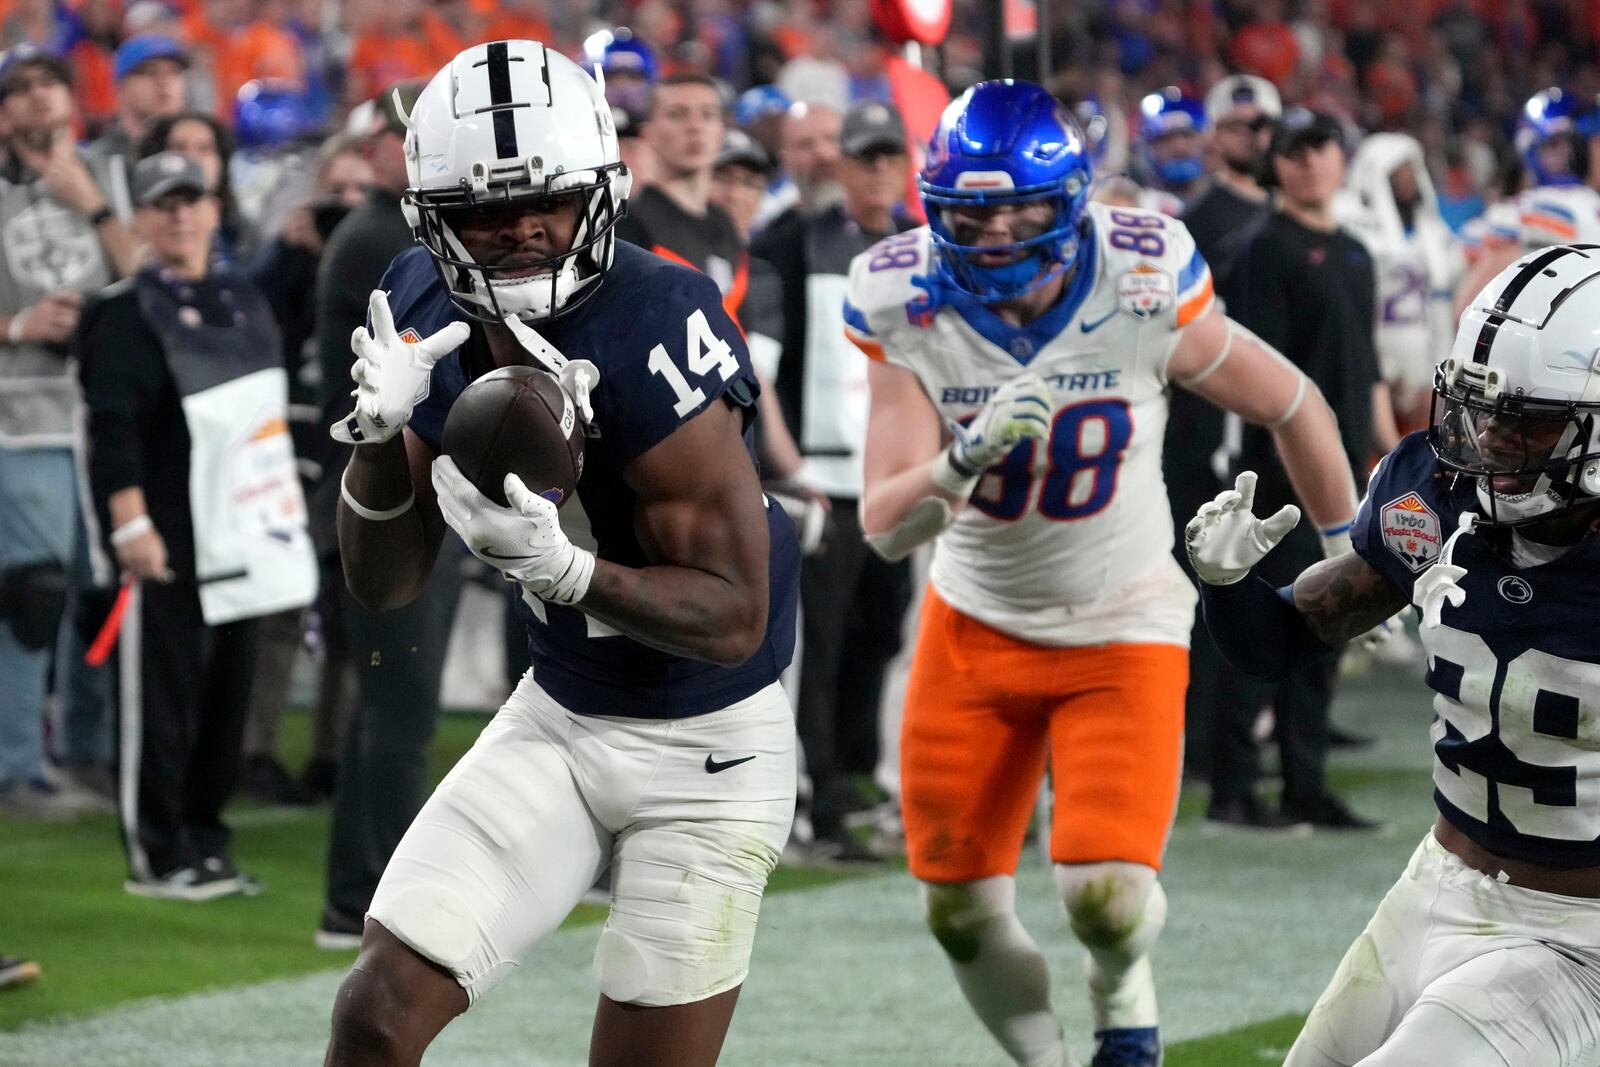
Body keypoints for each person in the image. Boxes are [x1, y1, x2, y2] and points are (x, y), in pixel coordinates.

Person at [845, 80, 1358, 1067]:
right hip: (973, 625)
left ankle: (1123, 999)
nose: (994, 234)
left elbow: (1294, 401)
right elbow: (884, 528)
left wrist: (1351, 558)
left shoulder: (1138, 275)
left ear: (1069, 201)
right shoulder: (899, 296)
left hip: (1121, 619)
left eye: (1020, 208)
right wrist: (960, 458)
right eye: (972, 211)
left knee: (1107, 900)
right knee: (955, 911)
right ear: (933, 209)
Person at [320, 40, 798, 1066]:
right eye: (486, 213)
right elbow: (384, 579)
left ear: (601, 193)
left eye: (545, 199)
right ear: (432, 222)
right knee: (373, 1012)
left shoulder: (655, 323)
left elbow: (734, 615)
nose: (523, 229)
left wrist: (565, 571)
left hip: (707, 750)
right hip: (560, 714)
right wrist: (371, 451)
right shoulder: (420, 304)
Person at [1187, 244, 1600, 1066]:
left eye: (1529, 421)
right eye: (1481, 410)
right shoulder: (1439, 493)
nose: (1490, 440)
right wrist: (1225, 581)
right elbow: (1275, 647)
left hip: (1577, 938)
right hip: (1436, 882)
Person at [78, 151, 317, 899]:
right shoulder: (121, 311)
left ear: (215, 210)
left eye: (193, 200)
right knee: (165, 697)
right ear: (142, 218)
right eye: (163, 203)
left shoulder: (245, 299)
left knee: (226, 696)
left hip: (243, 531)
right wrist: (128, 527)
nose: (180, 215)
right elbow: (110, 428)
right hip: (167, 536)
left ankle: (205, 841)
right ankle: (158, 853)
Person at [311, 79, 464, 950]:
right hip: (387, 490)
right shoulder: (382, 238)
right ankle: (381, 901)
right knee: (399, 710)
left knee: (392, 708)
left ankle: (354, 893)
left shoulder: (389, 235)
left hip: (399, 488)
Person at [1212, 108, 1396, 833]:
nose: (1309, 161)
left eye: (1321, 146)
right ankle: (1233, 788)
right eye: (1294, 150)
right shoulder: (1263, 248)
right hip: (1279, 477)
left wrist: (1390, 451)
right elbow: (1260, 378)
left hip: (1347, 469)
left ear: (1342, 160)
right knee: (1260, 632)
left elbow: (1368, 365)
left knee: (1325, 633)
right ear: (1277, 164)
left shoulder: (1354, 251)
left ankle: (1303, 785)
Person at [747, 100, 917, 862]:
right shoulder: (788, 240)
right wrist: (792, 468)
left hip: (893, 475)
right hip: (823, 476)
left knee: (880, 628)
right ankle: (815, 803)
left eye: (890, 157)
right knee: (815, 643)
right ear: (838, 165)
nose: (879, 170)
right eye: (865, 157)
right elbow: (765, 369)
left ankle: (844, 775)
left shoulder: (917, 247)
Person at [0, 44, 140, 822]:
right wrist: (22, 322)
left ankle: (85, 750)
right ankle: (18, 765)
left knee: (99, 590)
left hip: (103, 411)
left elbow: (151, 271)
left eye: (49, 85)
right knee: (35, 591)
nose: (37, 101)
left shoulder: (110, 179)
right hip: (19, 412)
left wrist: (92, 205)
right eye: (17, 91)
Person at [1169, 73, 1280, 779]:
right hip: (1203, 424)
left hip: (1258, 420)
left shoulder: (1276, 213)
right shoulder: (1196, 218)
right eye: (1241, 126)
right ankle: (1203, 743)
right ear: (1217, 136)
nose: (1256, 138)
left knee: (1254, 575)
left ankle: (1245, 728)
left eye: (1262, 125)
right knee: (1206, 578)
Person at [1336, 133, 1464, 431]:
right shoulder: (1353, 227)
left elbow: (1444, 307)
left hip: (1422, 373)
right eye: (1398, 172)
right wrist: (1382, 369)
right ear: (1375, 176)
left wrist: (1439, 371)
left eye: (1412, 169)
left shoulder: (1435, 233)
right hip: (1368, 369)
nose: (1408, 179)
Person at [614, 72, 745, 318]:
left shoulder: (724, 223)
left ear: (721, 131)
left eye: (707, 114)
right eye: (677, 115)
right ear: (648, 134)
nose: (695, 127)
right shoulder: (629, 225)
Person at [83, 33, 190, 209]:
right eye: (150, 72)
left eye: (174, 72)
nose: (164, 82)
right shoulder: (100, 158)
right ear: (120, 87)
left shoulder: (196, 149)